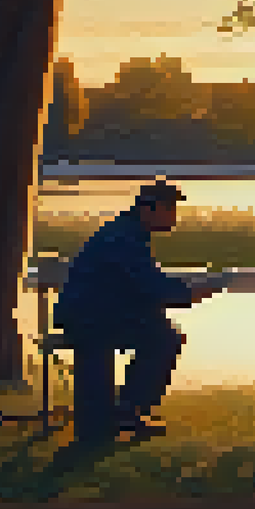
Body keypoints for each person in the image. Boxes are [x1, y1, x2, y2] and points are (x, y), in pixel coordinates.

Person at [53, 179, 218, 445]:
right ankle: (128, 413)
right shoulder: (124, 238)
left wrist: (181, 292)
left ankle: (125, 413)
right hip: (90, 318)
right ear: (148, 209)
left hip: (93, 314)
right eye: (169, 209)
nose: (174, 217)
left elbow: (143, 284)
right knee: (164, 339)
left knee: (159, 332)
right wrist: (190, 293)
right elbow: (151, 285)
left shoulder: (127, 233)